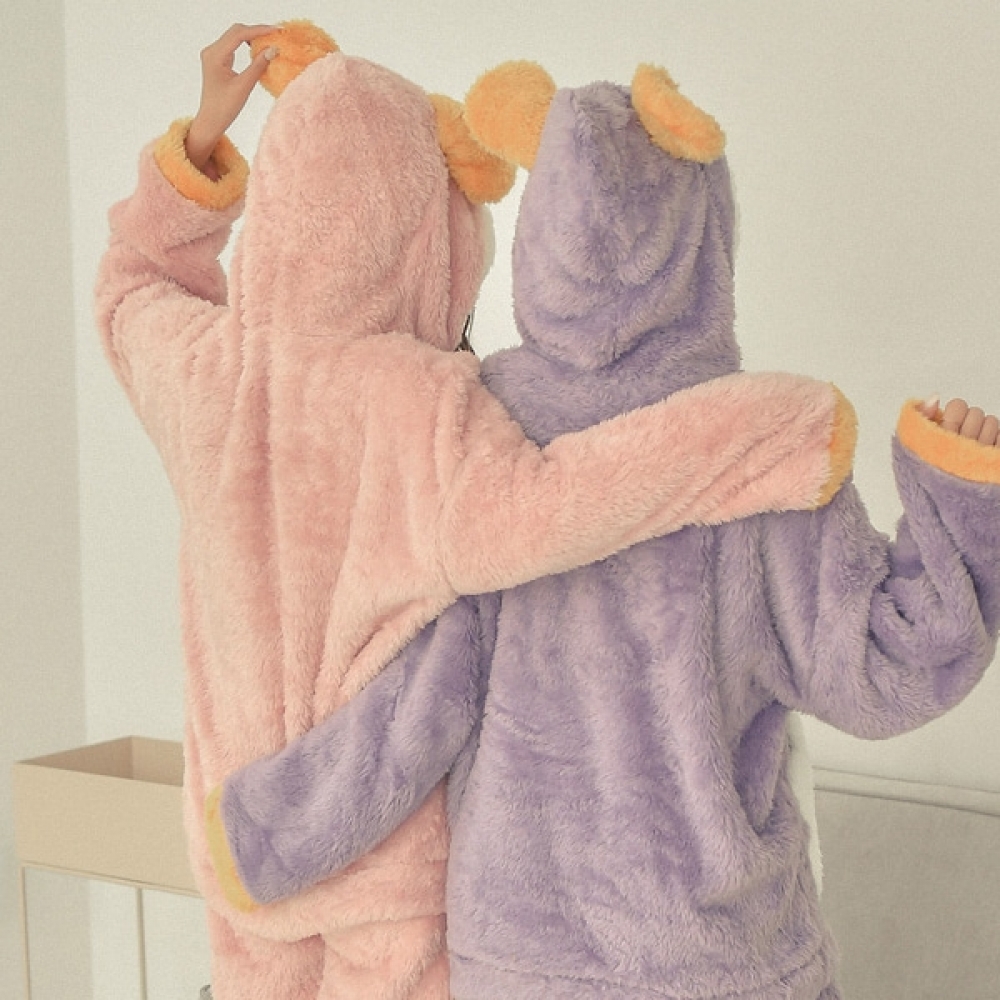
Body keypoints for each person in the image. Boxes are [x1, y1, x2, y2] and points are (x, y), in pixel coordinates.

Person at [207, 60, 1000, 1000]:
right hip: (725, 961)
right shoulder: (766, 452)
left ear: (544, 237)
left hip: (527, 959)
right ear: (709, 233)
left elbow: (422, 700)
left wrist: (271, 830)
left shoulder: (487, 435)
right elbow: (890, 669)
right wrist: (961, 501)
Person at [96, 21, 856, 1000]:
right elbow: (561, 504)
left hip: (236, 837)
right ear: (424, 230)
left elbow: (130, 287)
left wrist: (202, 142)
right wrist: (753, 430)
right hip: (386, 856)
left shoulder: (198, 370)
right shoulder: (424, 403)